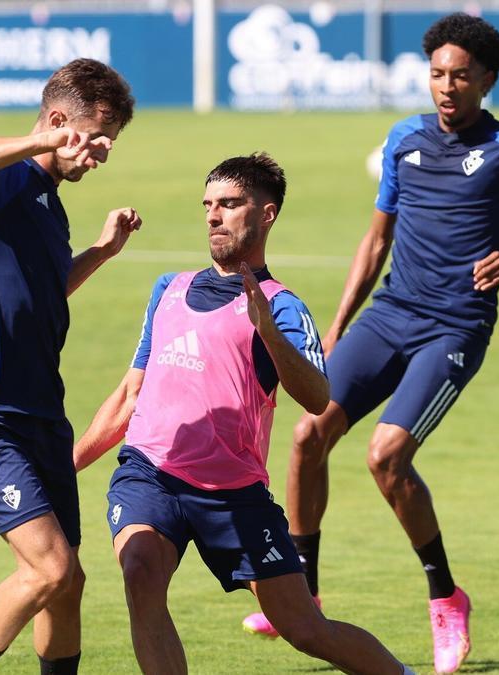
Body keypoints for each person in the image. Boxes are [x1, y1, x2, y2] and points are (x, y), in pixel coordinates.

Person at [240, 14, 499, 675]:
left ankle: (445, 596)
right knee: (308, 436)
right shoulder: (403, 138)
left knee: (386, 456)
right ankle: (302, 594)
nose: (447, 86)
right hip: (389, 315)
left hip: (454, 327)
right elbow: (376, 240)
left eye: (461, 76)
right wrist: (337, 325)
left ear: (487, 79)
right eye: (437, 74)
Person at [72, 154, 416, 675]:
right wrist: (65, 466)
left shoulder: (283, 306)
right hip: (150, 473)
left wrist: (268, 332)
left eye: (230, 204)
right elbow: (129, 394)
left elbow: (318, 397)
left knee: (305, 629)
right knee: (140, 574)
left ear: (266, 214)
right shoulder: (169, 290)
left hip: (233, 494)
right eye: (208, 205)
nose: (214, 216)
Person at [0, 58, 138, 675]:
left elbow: (44, 290)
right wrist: (40, 144)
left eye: (109, 145)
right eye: (95, 140)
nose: (99, 157)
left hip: (41, 415)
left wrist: (101, 252)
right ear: (56, 120)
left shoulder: (50, 204)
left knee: (68, 582)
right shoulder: (6, 179)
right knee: (48, 569)